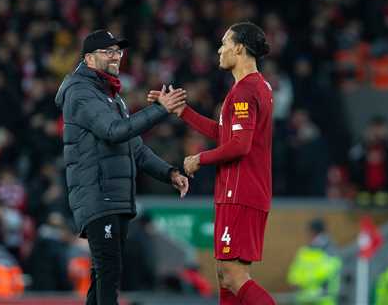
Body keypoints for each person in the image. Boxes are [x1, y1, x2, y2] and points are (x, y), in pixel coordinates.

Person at [55, 29, 189, 305]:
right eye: (109, 52)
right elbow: (114, 131)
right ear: (89, 58)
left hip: (114, 197)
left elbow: (135, 147)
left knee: (104, 274)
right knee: (108, 272)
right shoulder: (81, 92)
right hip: (98, 195)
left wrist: (169, 172)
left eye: (118, 51)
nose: (116, 56)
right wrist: (160, 109)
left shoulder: (110, 95)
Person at [149, 21, 275, 305]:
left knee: (233, 274)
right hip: (240, 191)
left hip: (241, 192)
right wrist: (183, 112)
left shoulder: (245, 91)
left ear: (240, 49)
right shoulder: (257, 87)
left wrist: (199, 159)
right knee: (224, 274)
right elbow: (226, 135)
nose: (219, 50)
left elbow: (239, 146)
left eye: (225, 43)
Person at [287, 218, 342, 305]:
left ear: (312, 231)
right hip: (305, 299)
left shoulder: (329, 250)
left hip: (322, 299)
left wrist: (301, 281)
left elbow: (329, 270)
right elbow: (294, 273)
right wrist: (295, 281)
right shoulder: (305, 251)